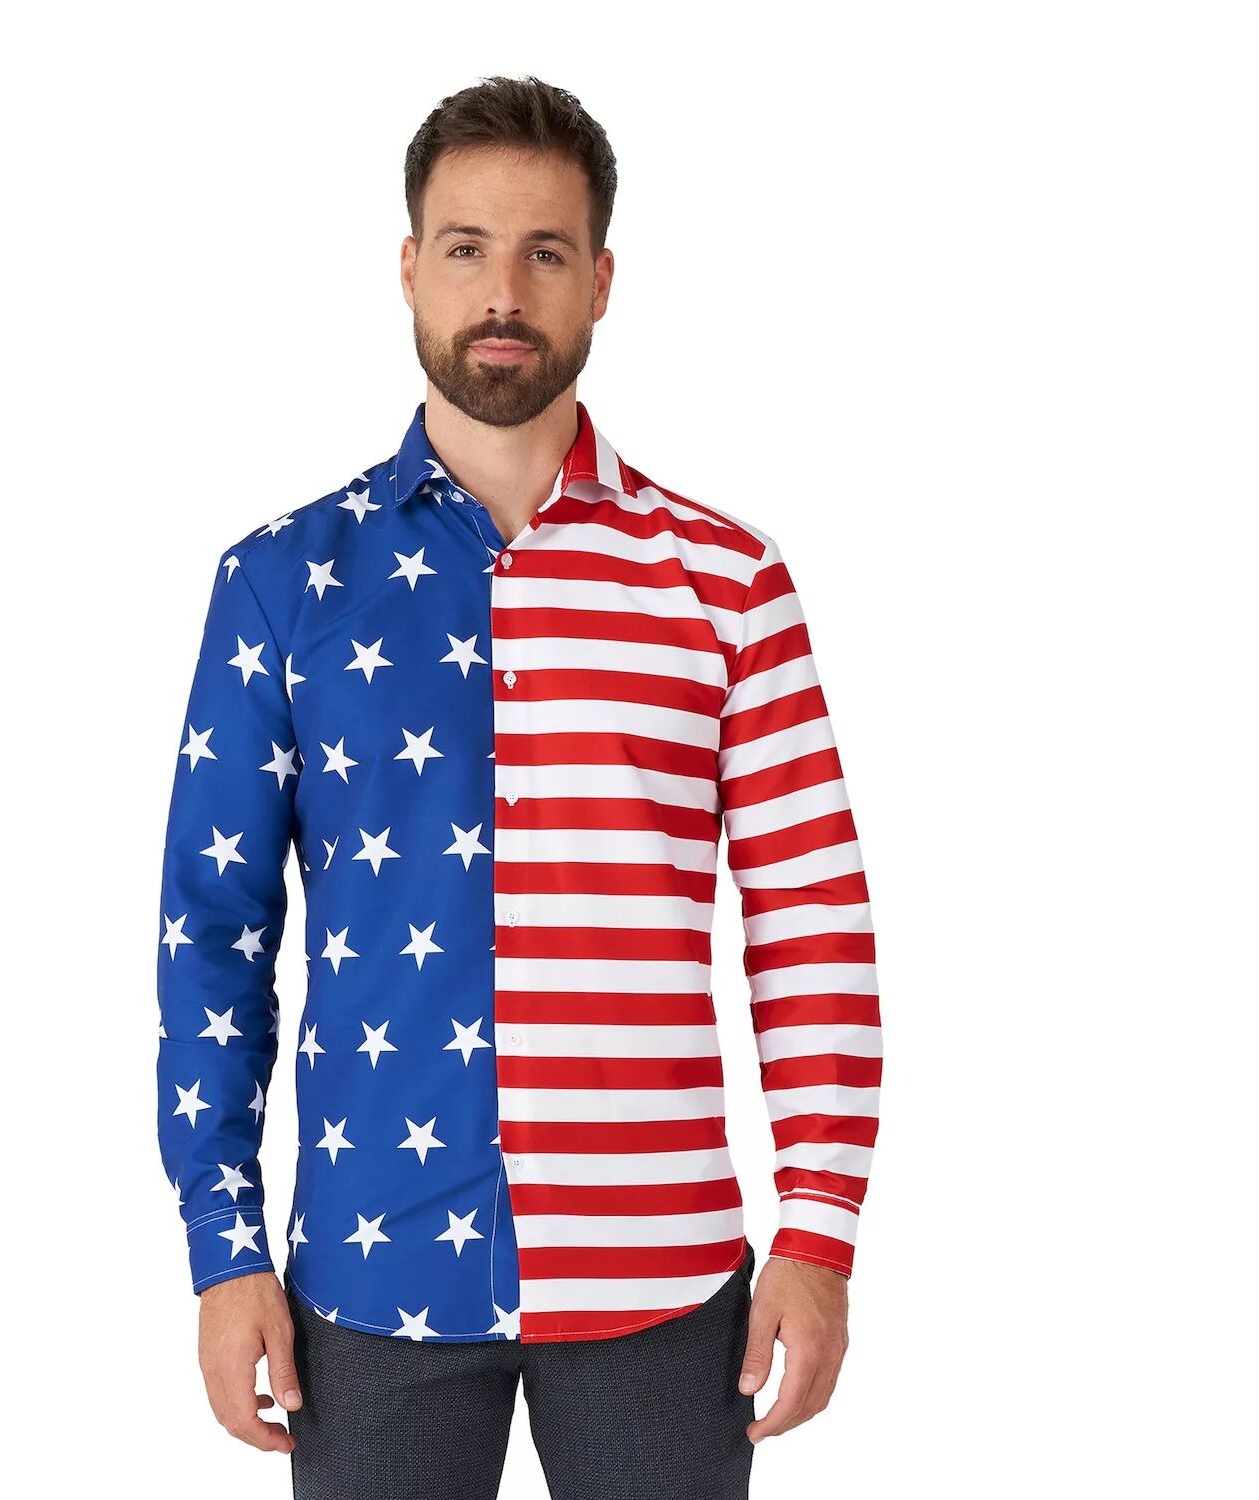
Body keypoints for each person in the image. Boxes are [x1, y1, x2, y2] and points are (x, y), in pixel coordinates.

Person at [154, 73, 881, 1500]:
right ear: (408, 267)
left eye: (546, 252)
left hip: (665, 1284)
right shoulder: (282, 585)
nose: (503, 292)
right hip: (370, 1282)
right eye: (467, 247)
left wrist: (818, 1229)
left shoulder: (725, 585)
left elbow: (811, 921)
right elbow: (214, 936)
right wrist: (221, 1250)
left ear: (601, 280)